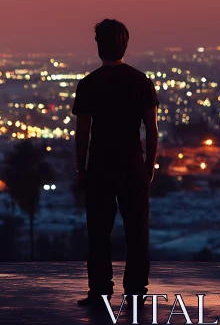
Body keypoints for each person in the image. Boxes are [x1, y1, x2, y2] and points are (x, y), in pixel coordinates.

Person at [72, 19, 159, 307]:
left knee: (98, 231)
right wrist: (149, 167)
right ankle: (135, 292)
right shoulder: (141, 82)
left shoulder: (89, 84)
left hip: (99, 166)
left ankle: (100, 291)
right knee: (137, 232)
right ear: (125, 44)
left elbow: (83, 131)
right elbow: (152, 128)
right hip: (133, 165)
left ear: (99, 46)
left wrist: (81, 168)